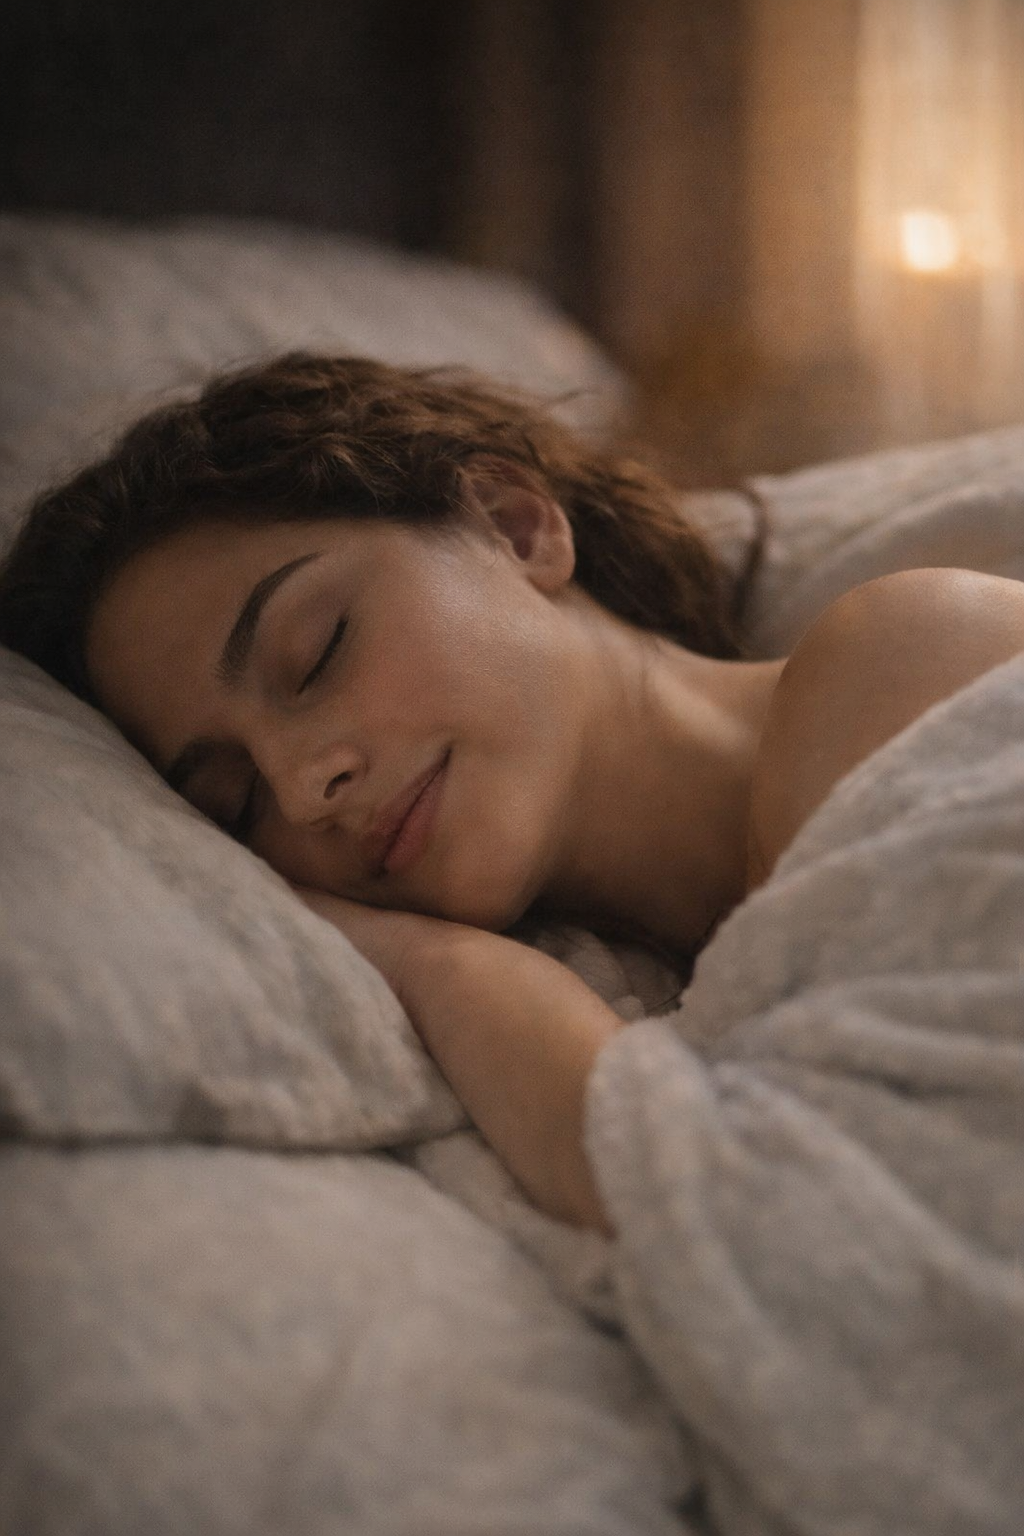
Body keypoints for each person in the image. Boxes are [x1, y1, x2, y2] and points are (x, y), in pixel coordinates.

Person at [2, 352, 1023, 1234]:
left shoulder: (907, 657)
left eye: (314, 654)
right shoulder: (642, 978)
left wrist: (443, 968)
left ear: (515, 524)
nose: (305, 787)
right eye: (235, 807)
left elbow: (764, 1216)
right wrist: (431, 960)